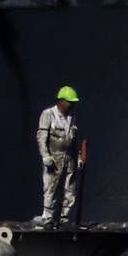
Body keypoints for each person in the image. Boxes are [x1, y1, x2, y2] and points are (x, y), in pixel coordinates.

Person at [36, 86, 85, 227]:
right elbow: (41, 137)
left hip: (69, 157)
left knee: (70, 189)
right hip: (54, 157)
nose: (72, 104)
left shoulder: (71, 117)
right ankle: (48, 218)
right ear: (62, 101)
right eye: (70, 102)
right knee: (51, 187)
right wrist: (45, 155)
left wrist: (79, 157)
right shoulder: (48, 114)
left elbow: (73, 140)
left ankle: (64, 217)